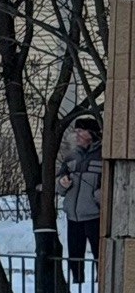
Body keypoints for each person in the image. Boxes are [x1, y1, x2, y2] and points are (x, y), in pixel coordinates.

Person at [60, 114, 103, 284]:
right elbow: (59, 182)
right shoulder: (71, 156)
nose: (76, 135)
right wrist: (62, 183)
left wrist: (100, 196)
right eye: (75, 131)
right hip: (73, 215)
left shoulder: (102, 156)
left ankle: (100, 284)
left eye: (81, 131)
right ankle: (78, 282)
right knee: (74, 255)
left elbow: (110, 182)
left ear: (92, 134)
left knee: (99, 253)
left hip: (94, 215)